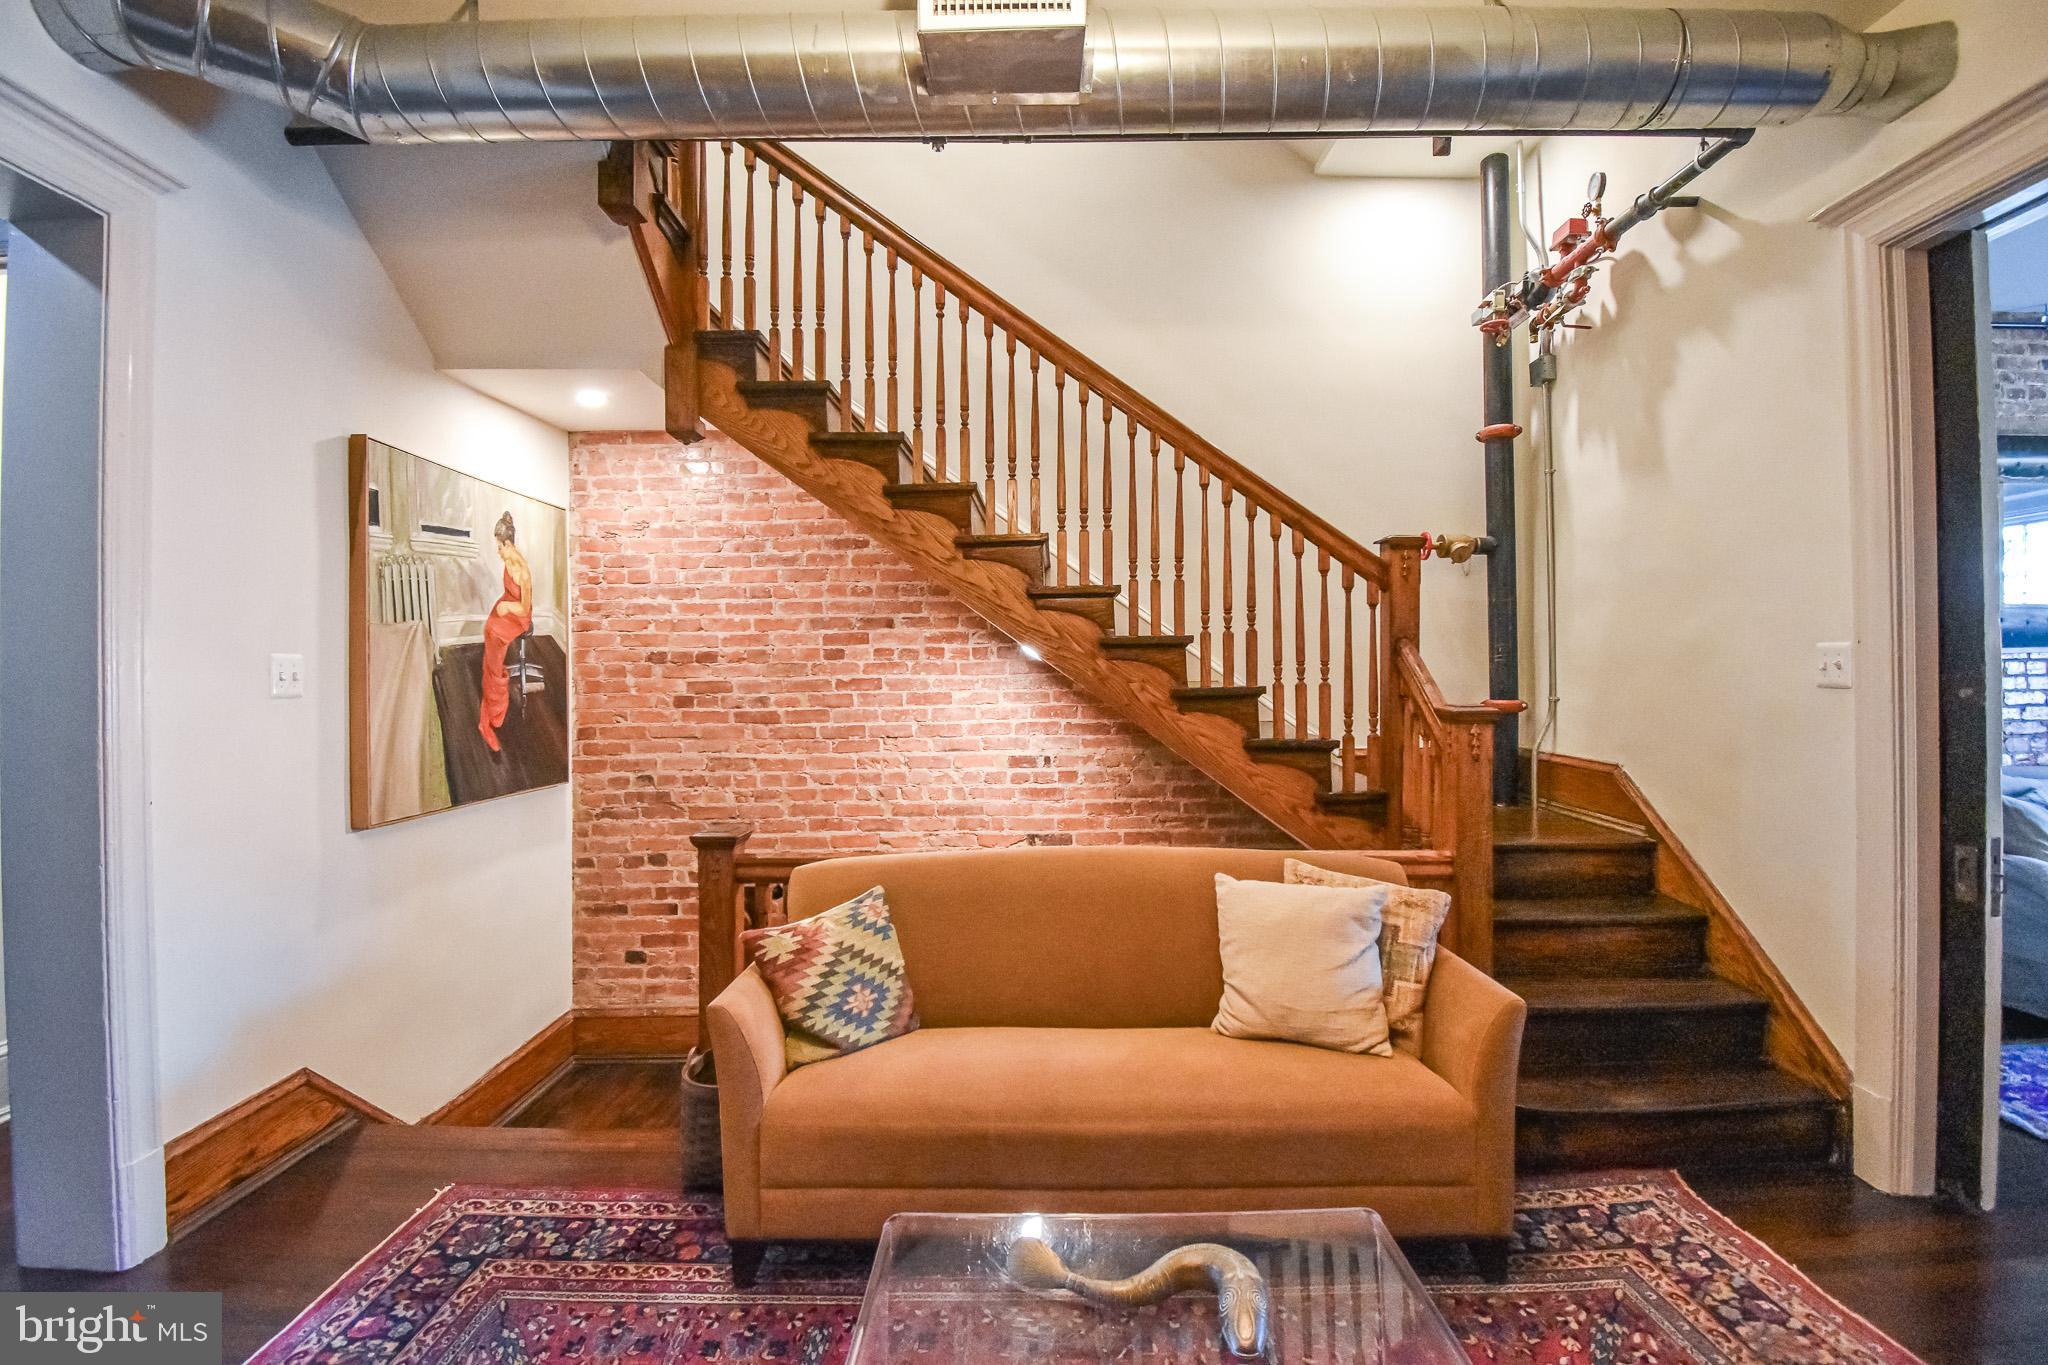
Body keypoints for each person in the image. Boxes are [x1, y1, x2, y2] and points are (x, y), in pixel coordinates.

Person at [478, 510, 533, 754]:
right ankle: (492, 681)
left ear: (508, 544)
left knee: (495, 637)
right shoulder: (508, 561)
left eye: (499, 547)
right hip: (507, 604)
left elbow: (524, 607)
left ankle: (491, 716)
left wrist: (507, 607)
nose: (498, 552)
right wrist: (503, 605)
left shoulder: (522, 570)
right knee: (488, 629)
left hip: (518, 615)